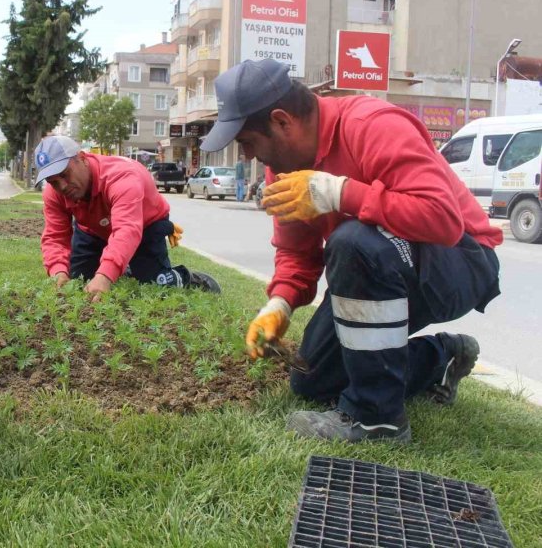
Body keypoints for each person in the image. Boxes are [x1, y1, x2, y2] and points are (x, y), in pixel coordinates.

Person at [200, 59, 502, 443]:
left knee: (353, 241)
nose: (246, 156)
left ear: (281, 122)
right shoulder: (284, 168)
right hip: (383, 262)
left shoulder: (372, 125)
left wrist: (340, 193)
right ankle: (440, 358)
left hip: (463, 259)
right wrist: (280, 303)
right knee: (312, 378)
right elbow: (297, 254)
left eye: (247, 142)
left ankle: (377, 420)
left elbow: (442, 219)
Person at [36, 136, 221, 300]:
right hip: (94, 230)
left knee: (156, 284)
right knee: (79, 279)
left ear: (82, 158)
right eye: (53, 182)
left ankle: (189, 278)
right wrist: (58, 272)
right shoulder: (54, 193)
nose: (62, 186)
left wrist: (105, 275)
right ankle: (125, 267)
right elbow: (55, 236)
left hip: (145, 225)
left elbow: (127, 230)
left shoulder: (121, 177)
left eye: (64, 174)